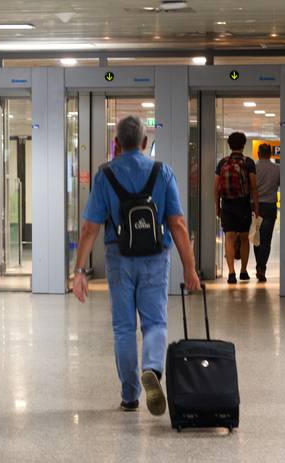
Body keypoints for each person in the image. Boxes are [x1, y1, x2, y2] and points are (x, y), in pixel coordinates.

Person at [71, 116, 199, 416]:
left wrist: (79, 272)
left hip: (119, 258)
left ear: (117, 144)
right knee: (155, 322)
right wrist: (190, 268)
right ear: (144, 142)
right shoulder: (162, 172)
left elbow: (90, 228)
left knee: (124, 328)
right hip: (156, 257)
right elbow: (177, 224)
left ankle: (130, 396)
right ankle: (152, 368)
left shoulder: (105, 175)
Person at [214, 132, 259, 284]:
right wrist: (256, 207)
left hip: (227, 205)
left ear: (229, 145)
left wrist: (217, 207)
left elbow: (216, 188)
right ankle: (244, 272)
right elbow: (253, 187)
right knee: (244, 239)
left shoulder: (222, 163)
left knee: (229, 238)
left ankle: (231, 273)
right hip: (243, 205)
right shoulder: (248, 163)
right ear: (243, 145)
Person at [252, 143, 280, 283]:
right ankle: (261, 267)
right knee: (266, 240)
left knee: (256, 239)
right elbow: (281, 185)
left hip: (255, 207)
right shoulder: (277, 169)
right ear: (270, 154)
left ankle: (259, 266)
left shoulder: (253, 168)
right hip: (270, 206)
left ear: (258, 153)